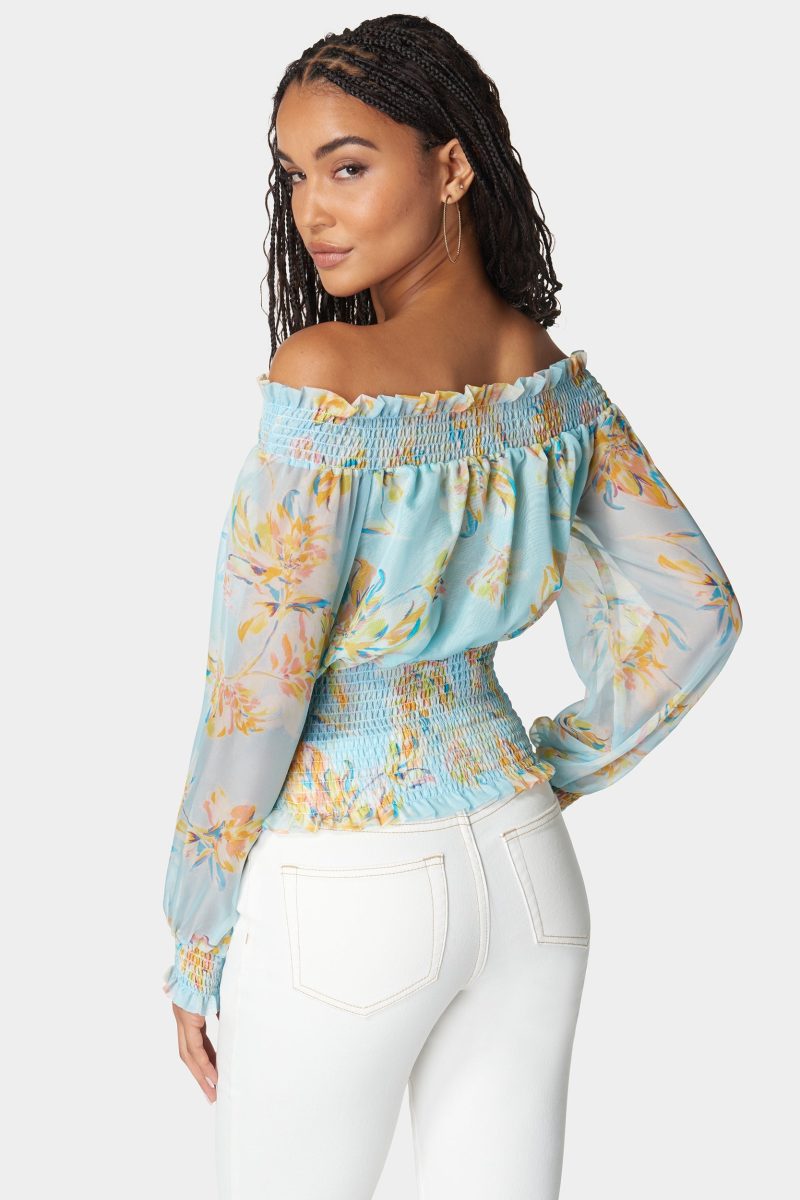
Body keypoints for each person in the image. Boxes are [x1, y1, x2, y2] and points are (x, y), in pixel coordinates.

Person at [161, 14, 744, 1199]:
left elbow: (256, 694)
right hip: (527, 870)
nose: (311, 210)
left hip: (346, 884)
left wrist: (195, 931)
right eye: (293, 175)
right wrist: (544, 768)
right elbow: (697, 612)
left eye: (347, 166)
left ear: (451, 167)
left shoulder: (323, 378)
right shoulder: (545, 376)